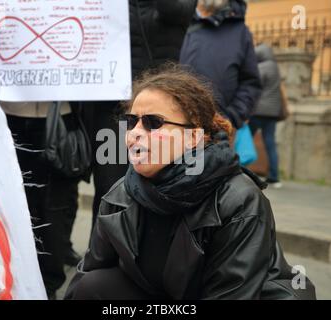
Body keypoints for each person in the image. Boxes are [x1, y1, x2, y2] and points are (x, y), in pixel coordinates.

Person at [64, 64, 316, 300]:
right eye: (131, 122)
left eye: (153, 123)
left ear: (193, 137)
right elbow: (85, 277)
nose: (135, 133)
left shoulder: (238, 199)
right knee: (92, 287)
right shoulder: (120, 195)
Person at [81, 0, 198, 235]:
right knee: (110, 186)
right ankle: (104, 253)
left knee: (157, 182)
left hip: (159, 113)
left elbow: (177, 10)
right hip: (114, 112)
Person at [1, 101, 82, 299]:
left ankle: (48, 284)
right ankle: (17, 275)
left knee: (54, 209)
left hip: (57, 117)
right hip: (7, 115)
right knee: (13, 205)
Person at [180, 0, 262, 129]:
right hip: (173, 127)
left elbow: (250, 83)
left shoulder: (240, 32)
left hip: (218, 132)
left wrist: (231, 118)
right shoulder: (174, 21)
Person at [249, 43, 284, 188]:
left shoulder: (260, 68)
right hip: (273, 112)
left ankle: (239, 170)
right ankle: (274, 177)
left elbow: (253, 87)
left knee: (246, 140)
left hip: (258, 110)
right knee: (270, 143)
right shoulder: (276, 68)